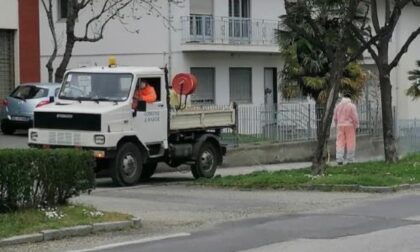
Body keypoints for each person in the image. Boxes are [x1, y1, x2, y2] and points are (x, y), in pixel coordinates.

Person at [333, 93, 359, 165]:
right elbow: (355, 117)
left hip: (340, 126)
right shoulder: (352, 106)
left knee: (340, 142)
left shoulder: (338, 105)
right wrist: (356, 126)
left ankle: (339, 159)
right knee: (350, 142)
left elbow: (335, 117)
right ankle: (350, 159)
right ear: (350, 98)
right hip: (350, 126)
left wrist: (336, 125)